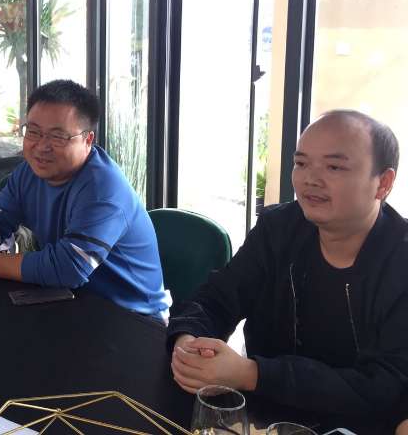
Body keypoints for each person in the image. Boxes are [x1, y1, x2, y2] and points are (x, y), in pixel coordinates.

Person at [167, 110, 408, 430]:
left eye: (334, 167)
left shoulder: (400, 259)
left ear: (383, 183)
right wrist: (188, 341)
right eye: (301, 163)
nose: (310, 179)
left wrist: (253, 374)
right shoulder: (278, 229)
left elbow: (384, 386)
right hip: (264, 419)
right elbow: (217, 298)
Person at [0, 79, 170, 319]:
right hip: (70, 300)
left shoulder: (104, 190)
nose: (41, 146)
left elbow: (68, 267)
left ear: (88, 140)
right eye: (33, 132)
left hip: (132, 317)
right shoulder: (29, 172)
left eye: (58, 136)